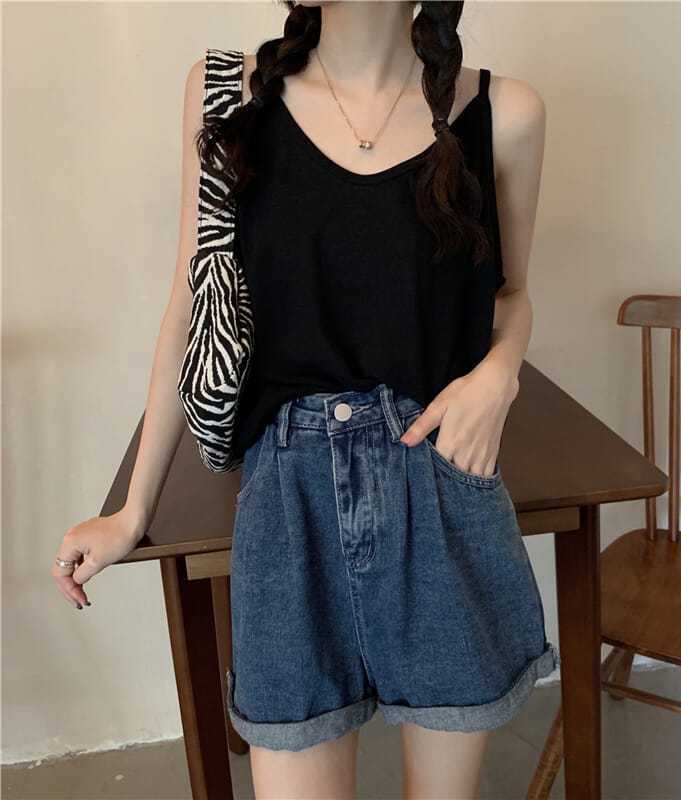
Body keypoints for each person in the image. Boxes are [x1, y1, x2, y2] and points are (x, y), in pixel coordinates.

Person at [51, 2, 555, 797]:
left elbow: (513, 293)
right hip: (287, 507)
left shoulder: (505, 112)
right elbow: (193, 305)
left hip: (439, 489)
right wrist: (131, 509)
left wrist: (501, 373)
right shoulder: (230, 94)